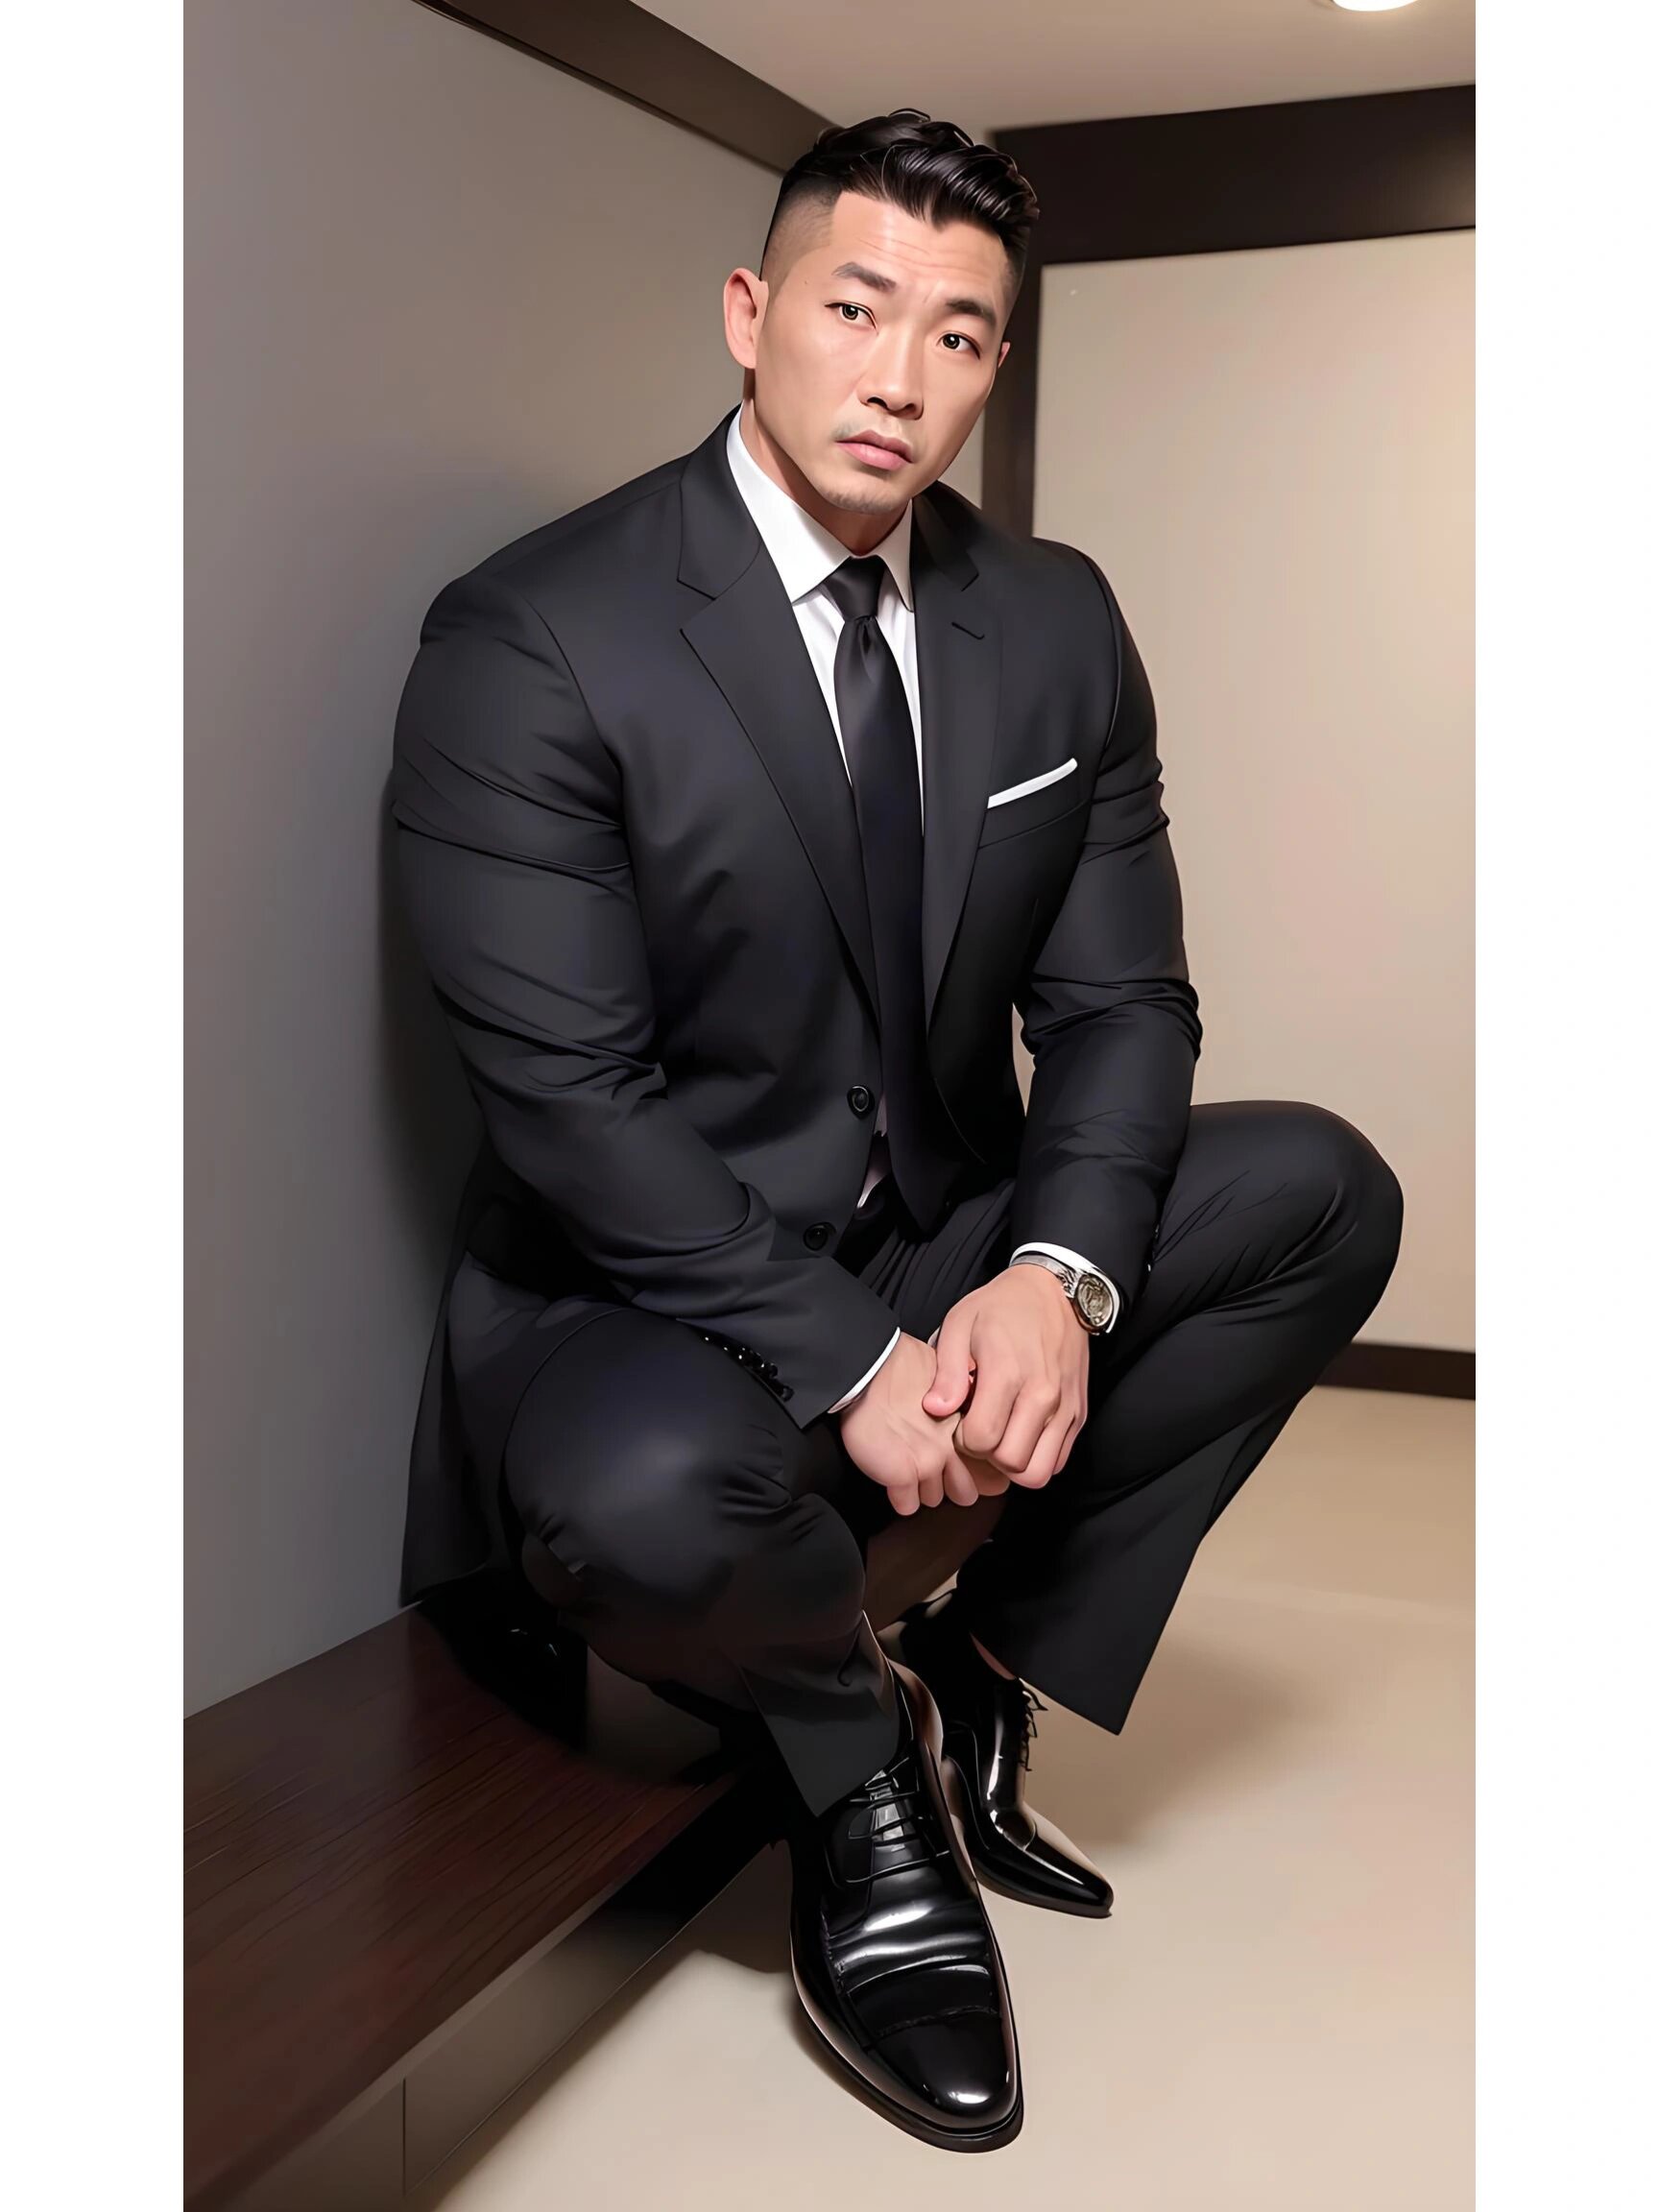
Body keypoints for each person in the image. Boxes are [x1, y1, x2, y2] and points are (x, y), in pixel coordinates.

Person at [388, 109, 1404, 2151]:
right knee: (635, 1495)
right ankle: (869, 1776)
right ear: (749, 315)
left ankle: (992, 1665)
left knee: (1319, 1189)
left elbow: (1121, 1009)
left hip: (935, 1226)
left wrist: (1054, 1276)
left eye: (957, 334)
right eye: (855, 309)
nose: (900, 376)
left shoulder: (1056, 620)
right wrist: (854, 1363)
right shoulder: (536, 634)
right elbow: (572, 1109)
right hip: (649, 1292)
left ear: (994, 367)